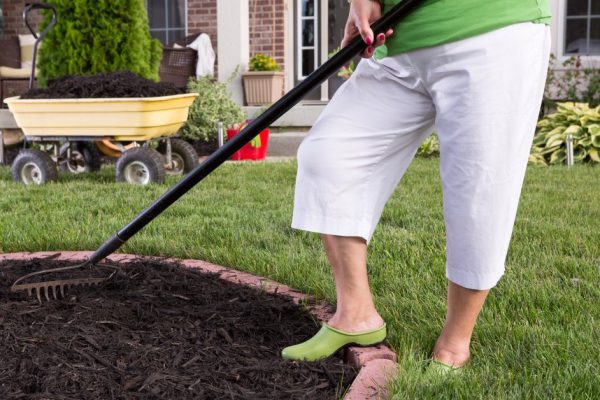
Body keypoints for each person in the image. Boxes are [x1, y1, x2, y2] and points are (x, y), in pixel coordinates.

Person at [281, 0, 552, 372]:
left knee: (477, 191)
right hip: (399, 41)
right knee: (329, 156)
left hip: (491, 31)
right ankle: (357, 315)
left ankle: (455, 345)